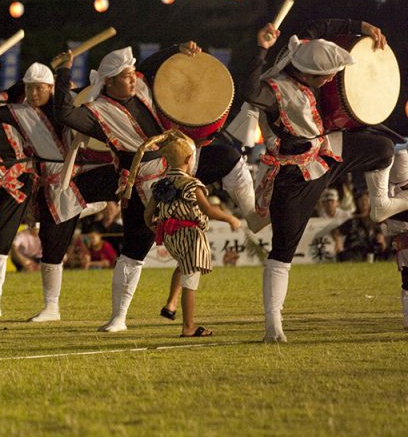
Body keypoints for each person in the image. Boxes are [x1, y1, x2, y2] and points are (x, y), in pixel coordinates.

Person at [54, 43, 253, 333]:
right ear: (108, 82)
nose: (133, 78)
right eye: (126, 76)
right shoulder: (96, 112)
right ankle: (118, 317)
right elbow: (63, 113)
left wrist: (178, 48)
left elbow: (154, 65)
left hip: (181, 166)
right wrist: (63, 71)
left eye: (133, 73)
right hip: (144, 184)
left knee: (230, 157)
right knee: (134, 250)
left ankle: (253, 213)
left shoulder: (144, 84)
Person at [243, 18, 408, 342]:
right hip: (292, 172)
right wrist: (260, 50)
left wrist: (363, 27)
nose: (334, 79)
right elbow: (250, 90)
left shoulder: (303, 51)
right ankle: (272, 324)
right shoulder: (276, 90)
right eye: (329, 75)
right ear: (308, 74)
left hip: (325, 149)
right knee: (283, 249)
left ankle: (380, 206)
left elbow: (320, 26)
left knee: (382, 148)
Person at [0, 58, 109, 321]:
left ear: (51, 87)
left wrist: (67, 71)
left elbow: (98, 92)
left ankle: (52, 306)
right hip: (41, 180)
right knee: (47, 241)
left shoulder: (66, 104)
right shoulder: (19, 111)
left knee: (55, 244)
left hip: (68, 179)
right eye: (30, 88)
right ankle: (48, 307)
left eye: (39, 88)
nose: (33, 94)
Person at [135, 130, 241, 337]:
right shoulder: (191, 184)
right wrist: (231, 218)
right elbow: (208, 210)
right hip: (190, 235)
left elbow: (148, 214)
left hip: (170, 236)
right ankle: (188, 326)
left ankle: (171, 304)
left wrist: (154, 227)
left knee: (183, 266)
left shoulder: (161, 184)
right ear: (189, 159)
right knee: (191, 280)